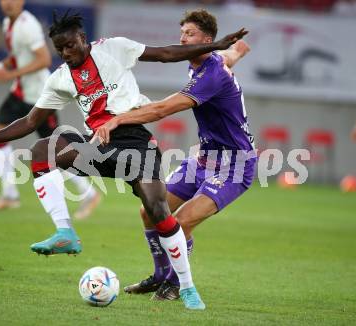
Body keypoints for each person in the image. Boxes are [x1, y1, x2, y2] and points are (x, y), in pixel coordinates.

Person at [0, 10, 247, 309]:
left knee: (168, 217)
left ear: (83, 38)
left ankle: (183, 286)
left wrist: (219, 47)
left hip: (206, 157)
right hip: (113, 145)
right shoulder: (62, 78)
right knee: (43, 150)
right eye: (60, 49)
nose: (66, 53)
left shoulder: (115, 49)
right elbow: (30, 121)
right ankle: (67, 232)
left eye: (70, 45)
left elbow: (167, 73)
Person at [94, 9, 256, 301]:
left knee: (180, 222)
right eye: (182, 32)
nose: (182, 38)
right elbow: (228, 57)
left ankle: (174, 283)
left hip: (235, 166)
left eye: (190, 34)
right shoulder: (204, 62)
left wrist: (118, 119)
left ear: (206, 40)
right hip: (203, 160)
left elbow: (162, 109)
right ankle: (159, 276)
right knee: (149, 211)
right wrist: (239, 50)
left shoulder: (212, 74)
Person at [0, 0, 100, 216]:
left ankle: (89, 194)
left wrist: (11, 75)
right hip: (20, 92)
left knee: (56, 149)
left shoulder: (28, 25)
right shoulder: (9, 23)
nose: (8, 3)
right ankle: (9, 195)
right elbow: (17, 56)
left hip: (39, 97)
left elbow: (43, 59)